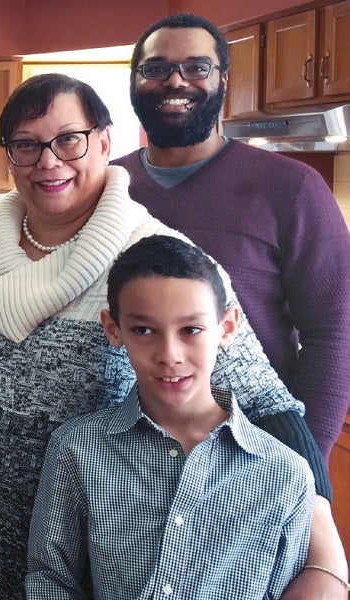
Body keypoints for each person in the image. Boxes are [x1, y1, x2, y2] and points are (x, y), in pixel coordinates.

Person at [0, 73, 339, 600]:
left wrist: (326, 551)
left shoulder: (157, 260)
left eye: (69, 139)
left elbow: (266, 402)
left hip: (107, 576)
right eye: (27, 144)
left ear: (105, 142)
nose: (48, 160)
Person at [111, 13, 350, 466]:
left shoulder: (293, 189)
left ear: (223, 79)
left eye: (197, 67)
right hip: (120, 467)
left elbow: (333, 333)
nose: (175, 81)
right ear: (134, 80)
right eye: (156, 68)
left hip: (249, 461)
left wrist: (303, 474)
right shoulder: (108, 186)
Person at [26, 234, 315, 599]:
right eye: (144, 330)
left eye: (190, 330)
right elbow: (50, 580)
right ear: (113, 329)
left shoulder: (286, 474)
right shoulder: (76, 450)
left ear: (226, 328)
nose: (169, 355)